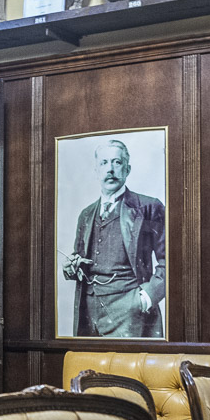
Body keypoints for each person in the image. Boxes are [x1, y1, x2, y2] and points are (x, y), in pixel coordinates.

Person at [63, 138, 166, 338]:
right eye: (104, 163)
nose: (110, 169)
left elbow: (171, 260)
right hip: (90, 312)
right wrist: (71, 267)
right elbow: (80, 261)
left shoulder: (148, 207)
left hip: (131, 312)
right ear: (96, 171)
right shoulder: (86, 214)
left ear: (127, 169)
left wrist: (146, 297)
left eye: (117, 162)